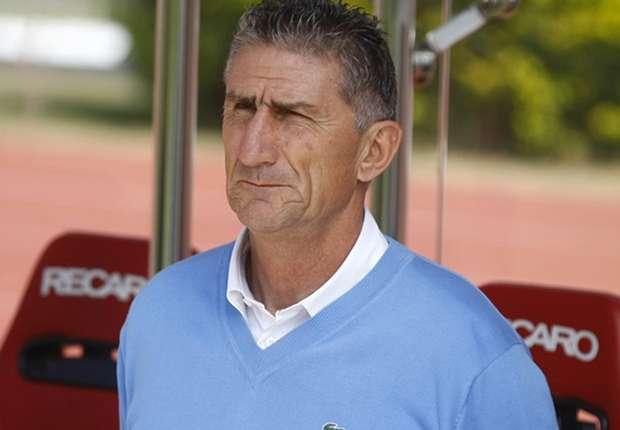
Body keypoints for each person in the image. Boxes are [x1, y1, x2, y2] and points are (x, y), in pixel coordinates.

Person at [117, 1, 558, 428]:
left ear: (374, 151)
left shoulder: (472, 357)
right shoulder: (159, 310)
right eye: (242, 108)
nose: (251, 151)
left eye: (293, 116)